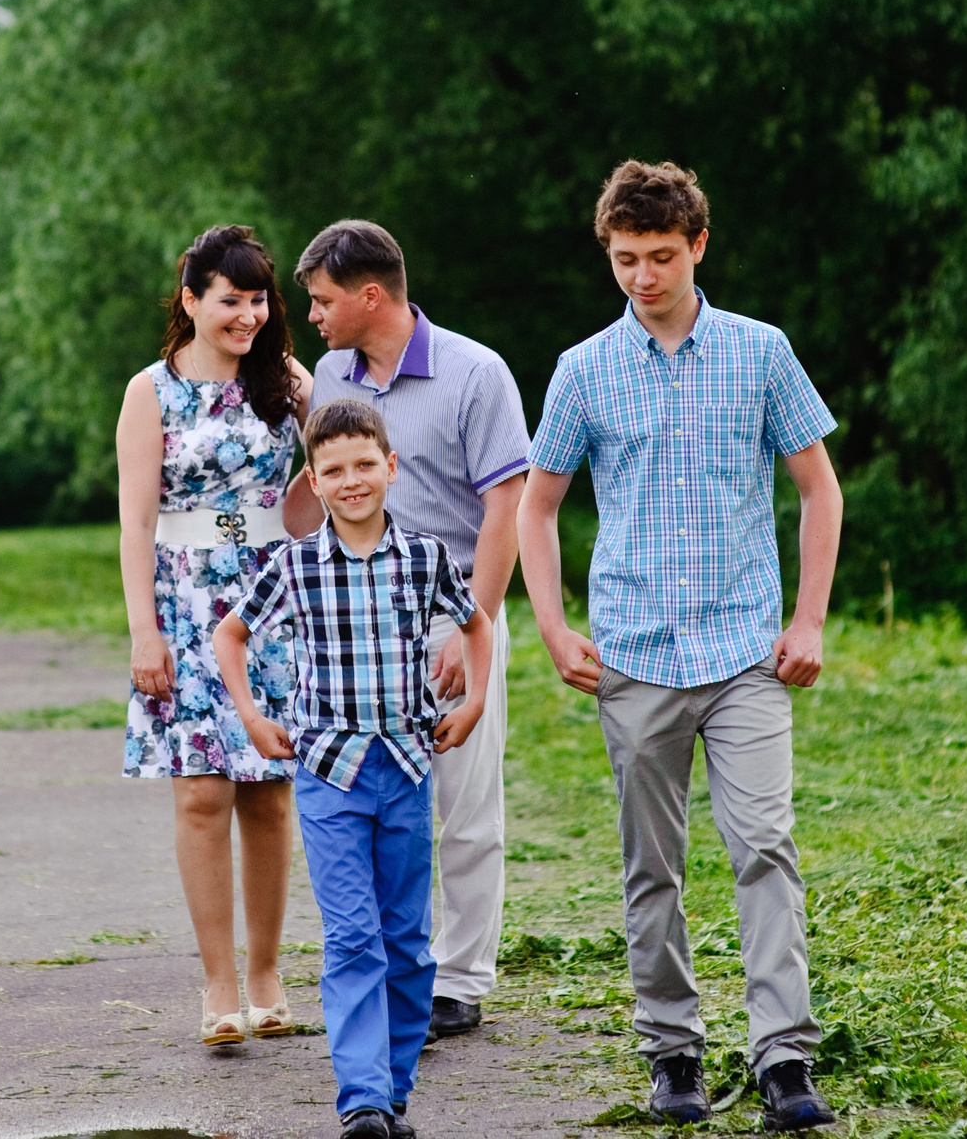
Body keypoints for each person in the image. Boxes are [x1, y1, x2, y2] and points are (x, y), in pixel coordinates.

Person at [515, 161, 844, 1131]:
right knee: (651, 867)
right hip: (634, 656)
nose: (642, 276)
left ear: (698, 244)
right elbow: (537, 507)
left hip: (745, 652)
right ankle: (672, 1053)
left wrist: (809, 619)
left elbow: (819, 489)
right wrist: (552, 625)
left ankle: (783, 1058)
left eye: (660, 256)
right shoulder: (583, 369)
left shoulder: (760, 352)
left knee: (763, 847)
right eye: (625, 259)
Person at [215, 400, 494, 1139]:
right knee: (352, 938)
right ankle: (362, 1099)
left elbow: (477, 625)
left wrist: (472, 702)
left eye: (365, 464)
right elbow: (230, 635)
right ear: (314, 479)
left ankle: (393, 1094)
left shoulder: (426, 557)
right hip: (328, 774)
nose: (352, 481)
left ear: (390, 467)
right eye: (333, 470)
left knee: (405, 940)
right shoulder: (295, 564)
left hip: (406, 767)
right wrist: (253, 717)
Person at [295, 219, 529, 1040]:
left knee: (463, 807)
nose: (313, 315)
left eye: (322, 300)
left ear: (370, 295)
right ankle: (391, 972)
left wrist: (475, 627)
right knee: (374, 808)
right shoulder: (332, 377)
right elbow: (321, 489)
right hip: (355, 625)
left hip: (451, 613)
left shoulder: (476, 372)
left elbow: (507, 507)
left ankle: (457, 982)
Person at [116, 224, 318, 1046]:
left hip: (271, 598)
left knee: (269, 792)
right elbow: (135, 524)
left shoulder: (286, 382)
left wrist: (316, 444)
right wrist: (144, 631)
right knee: (201, 792)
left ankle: (267, 973)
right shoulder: (151, 391)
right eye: (231, 300)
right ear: (191, 299)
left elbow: (314, 498)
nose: (248, 316)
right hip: (185, 600)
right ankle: (219, 984)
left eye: (259, 301)